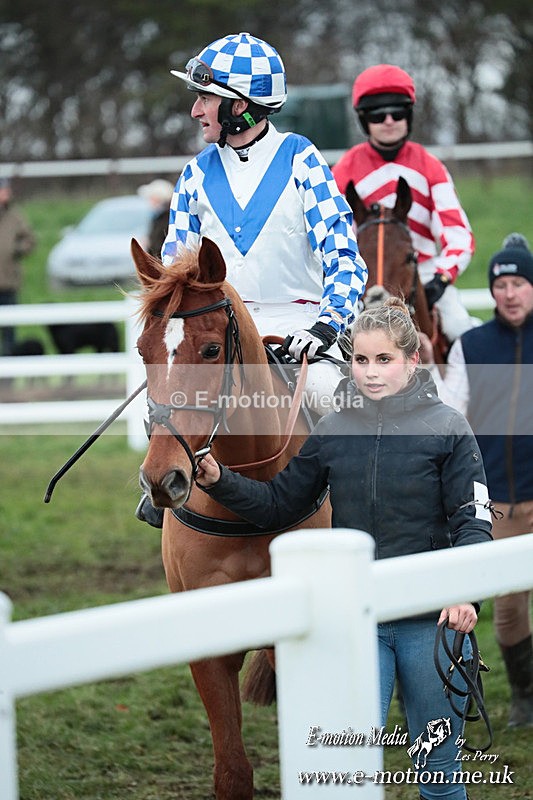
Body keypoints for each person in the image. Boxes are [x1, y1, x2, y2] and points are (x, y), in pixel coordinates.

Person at [196, 297, 493, 798]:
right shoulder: (333, 429)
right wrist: (220, 480)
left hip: (434, 624)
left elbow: (473, 521)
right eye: (360, 360)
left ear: (412, 361)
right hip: (361, 624)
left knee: (439, 778)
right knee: (350, 771)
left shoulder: (448, 429)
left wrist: (463, 595)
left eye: (384, 360)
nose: (371, 373)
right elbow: (277, 505)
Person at [162, 32, 368, 409]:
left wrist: (326, 326)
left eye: (204, 98)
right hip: (219, 337)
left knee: (344, 407)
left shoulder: (301, 159)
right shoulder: (194, 175)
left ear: (238, 106)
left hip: (301, 332)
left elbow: (345, 258)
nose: (195, 111)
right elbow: (174, 270)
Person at [420, 233, 533, 728]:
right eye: (502, 284)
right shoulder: (473, 345)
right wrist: (425, 366)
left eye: (519, 283)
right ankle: (525, 699)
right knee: (507, 609)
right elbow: (453, 413)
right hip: (500, 507)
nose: (510, 293)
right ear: (491, 291)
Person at [332, 64, 475, 344]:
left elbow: (459, 237)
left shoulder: (431, 167)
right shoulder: (343, 171)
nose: (388, 120)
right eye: (377, 114)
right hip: (364, 283)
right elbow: (334, 238)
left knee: (460, 329)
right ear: (364, 119)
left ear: (408, 115)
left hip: (422, 276)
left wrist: (441, 279)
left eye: (397, 112)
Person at [0, 177, 36, 355]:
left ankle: (6, 380)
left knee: (9, 333)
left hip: (8, 283)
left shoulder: (15, 217)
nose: (6, 194)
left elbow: (30, 240)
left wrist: (15, 249)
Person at [137, 178, 174, 257]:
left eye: (152, 198)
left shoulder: (167, 219)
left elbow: (158, 246)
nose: (150, 201)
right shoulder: (158, 218)